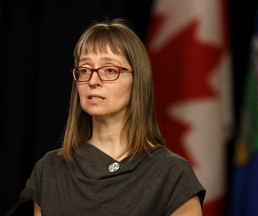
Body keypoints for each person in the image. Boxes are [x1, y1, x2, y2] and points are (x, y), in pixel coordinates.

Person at [26, 18, 206, 216]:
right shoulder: (50, 169)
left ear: (137, 81)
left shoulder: (172, 174)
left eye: (110, 70)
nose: (93, 81)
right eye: (85, 70)